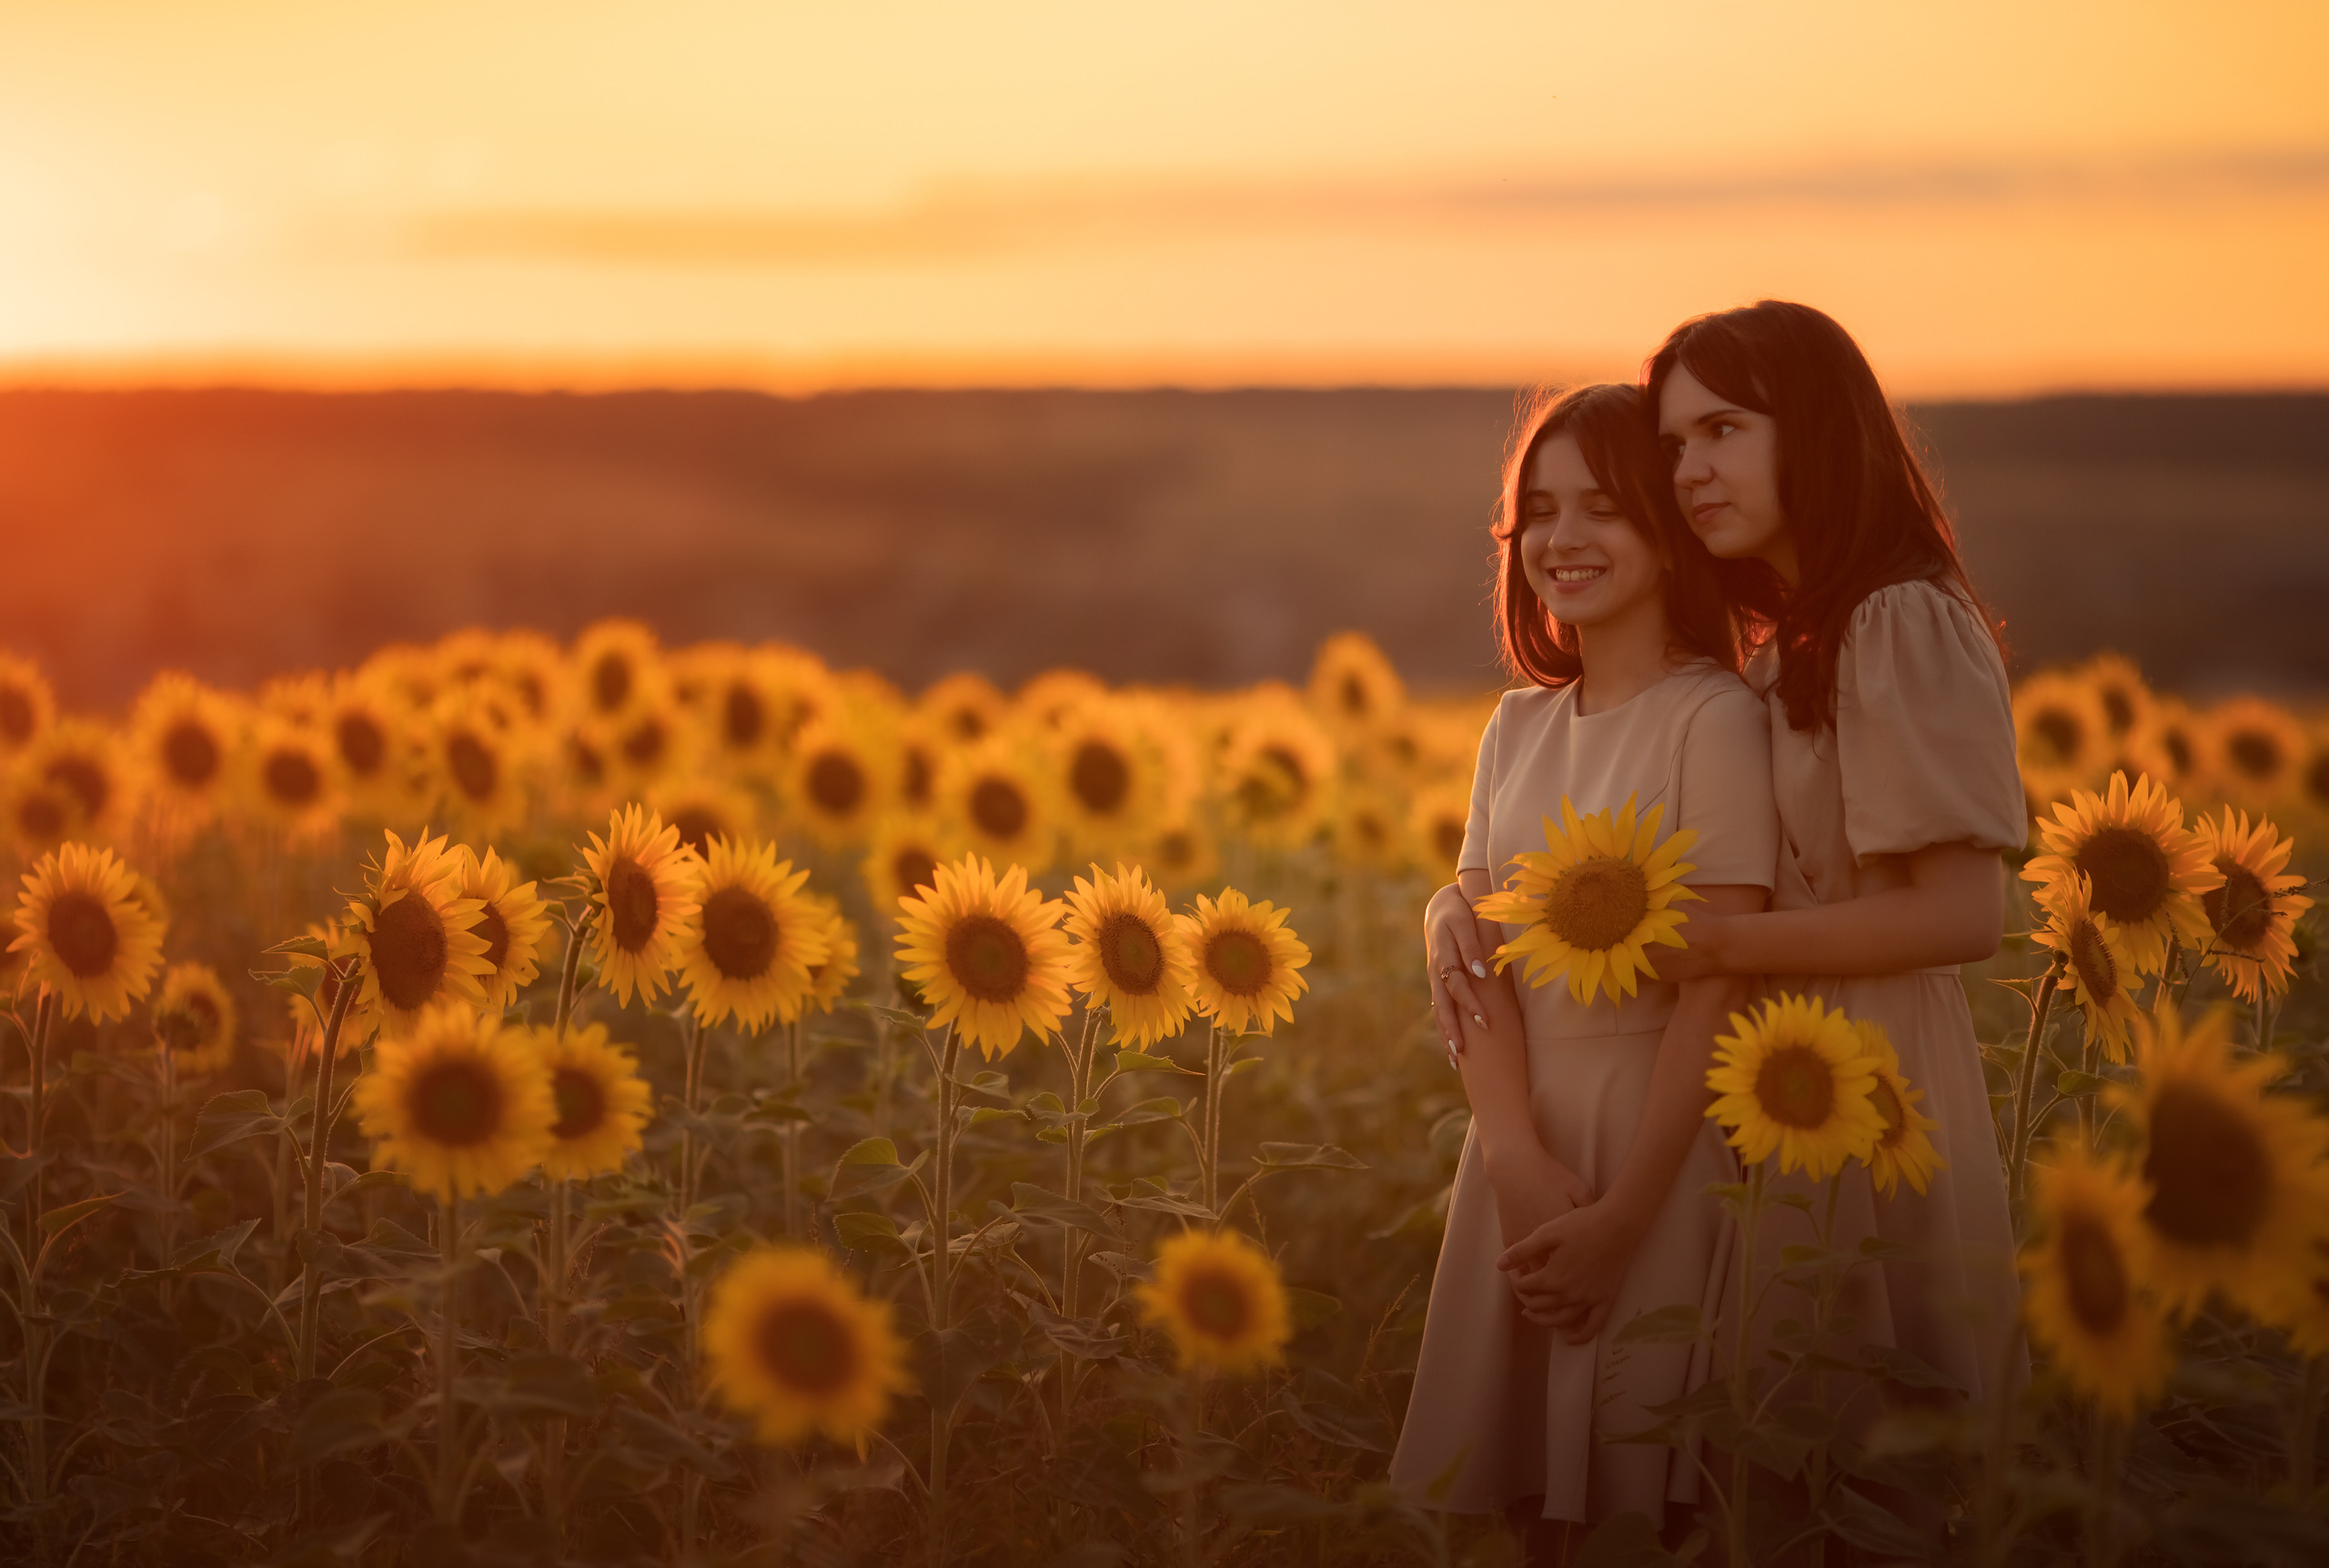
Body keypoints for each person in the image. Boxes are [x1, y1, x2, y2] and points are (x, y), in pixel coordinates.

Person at [1505, 300, 2024, 1427]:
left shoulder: (1895, 617)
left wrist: (1717, 943)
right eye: (1677, 442)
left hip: (1873, 1085)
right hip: (1781, 1084)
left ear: (1819, 432)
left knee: (1872, 1445)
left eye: (1725, 430)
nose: (1691, 468)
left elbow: (1961, 913)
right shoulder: (1787, 641)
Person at [1391, 382, 1777, 1554]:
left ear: (1667, 528)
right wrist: (1509, 1152)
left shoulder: (1711, 720)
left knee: (1639, 1499)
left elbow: (1717, 981)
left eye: (1602, 508)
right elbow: (1478, 961)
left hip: (1657, 1155)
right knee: (1522, 1513)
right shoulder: (1514, 729)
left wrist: (1622, 1215)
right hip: (1521, 1142)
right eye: (1540, 512)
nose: (1563, 540)